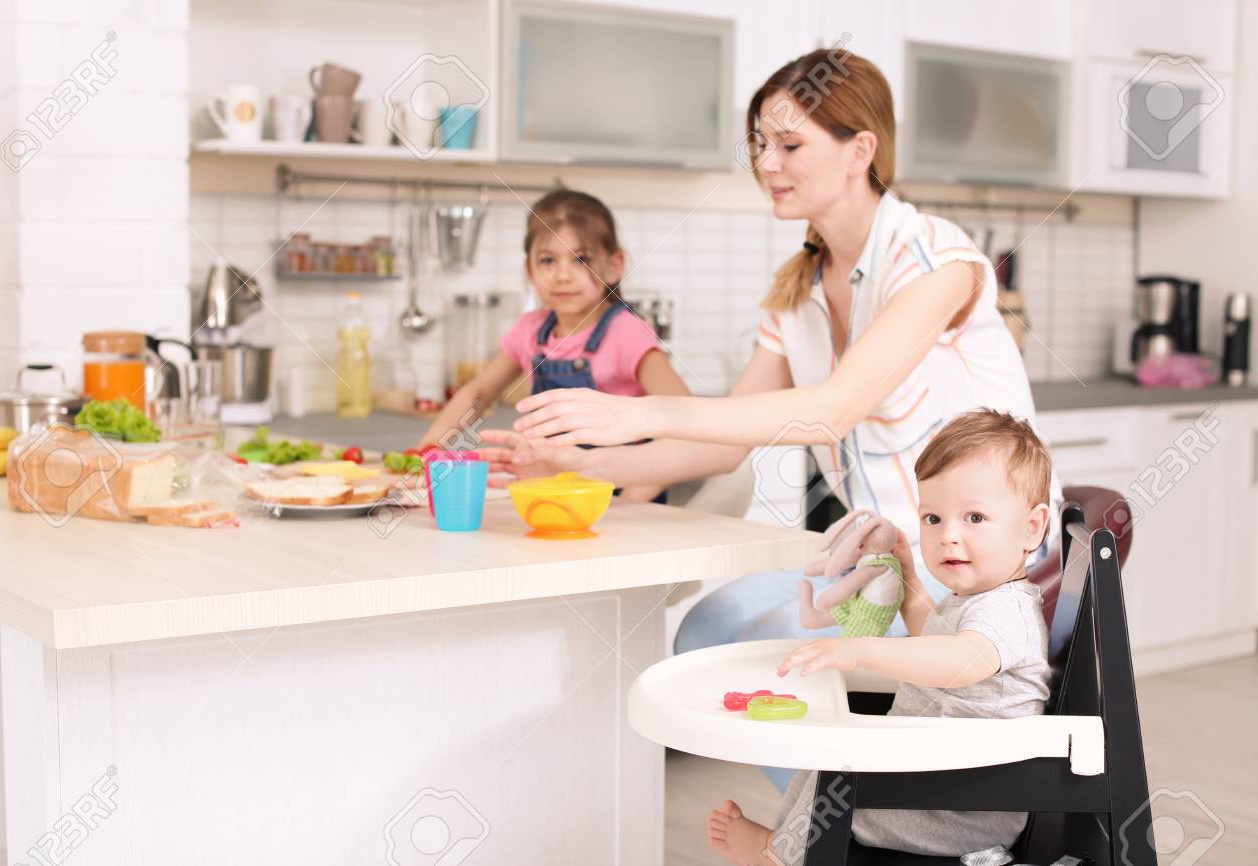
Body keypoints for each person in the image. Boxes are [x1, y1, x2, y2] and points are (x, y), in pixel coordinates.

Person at [483, 48, 1062, 669]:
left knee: (761, 657)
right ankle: (844, 770)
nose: (766, 163)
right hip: (884, 558)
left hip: (973, 565)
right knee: (707, 630)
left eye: (788, 145)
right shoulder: (800, 288)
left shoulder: (935, 260)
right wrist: (566, 460)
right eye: (761, 145)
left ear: (859, 151)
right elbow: (722, 447)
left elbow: (832, 412)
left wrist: (640, 412)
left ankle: (870, 770)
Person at [709, 409, 1054, 864]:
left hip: (962, 808)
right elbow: (929, 637)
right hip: (941, 780)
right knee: (823, 767)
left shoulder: (1006, 610)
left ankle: (777, 853)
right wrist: (909, 577)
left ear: (1031, 528)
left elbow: (962, 660)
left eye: (974, 517)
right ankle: (785, 847)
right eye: (933, 518)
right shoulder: (974, 599)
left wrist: (860, 650)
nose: (948, 536)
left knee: (839, 791)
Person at [418, 189, 688, 501]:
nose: (562, 276)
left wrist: (631, 503)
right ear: (530, 271)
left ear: (614, 266)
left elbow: (681, 418)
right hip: (554, 496)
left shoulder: (627, 333)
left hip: (627, 502)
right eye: (548, 260)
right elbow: (478, 394)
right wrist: (428, 448)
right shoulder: (530, 332)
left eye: (580, 260)